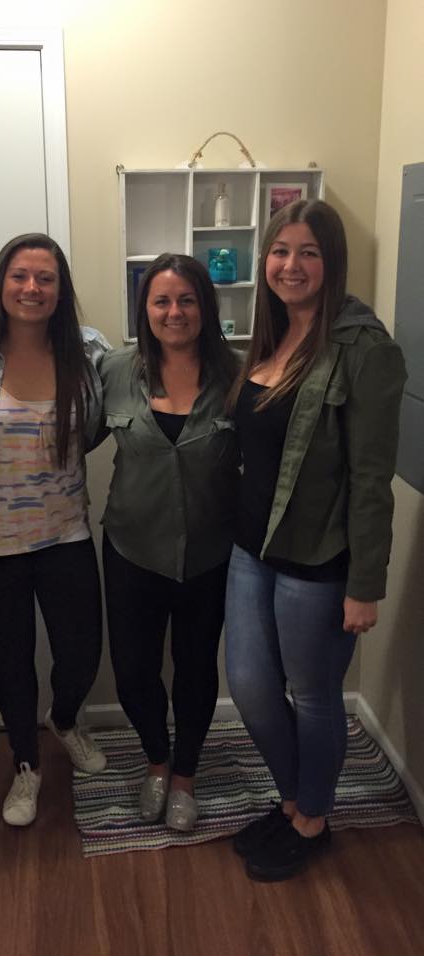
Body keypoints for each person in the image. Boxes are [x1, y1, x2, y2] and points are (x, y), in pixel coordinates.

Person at [225, 199, 407, 881]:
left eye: (308, 252)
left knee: (313, 694)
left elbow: (371, 479)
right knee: (250, 688)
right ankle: (292, 798)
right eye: (280, 251)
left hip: (317, 561)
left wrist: (365, 585)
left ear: (332, 261)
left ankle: (311, 819)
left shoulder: (365, 350)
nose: (290, 265)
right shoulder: (269, 335)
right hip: (252, 550)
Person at [0, 233, 108, 828]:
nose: (32, 288)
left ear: (61, 290)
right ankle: (26, 763)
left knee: (81, 652)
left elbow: (100, 426)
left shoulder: (87, 352)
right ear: (1, 283)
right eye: (20, 276)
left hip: (66, 533)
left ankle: (65, 719)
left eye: (45, 278)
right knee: (12, 658)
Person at [99, 253, 239, 831]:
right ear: (145, 309)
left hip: (211, 553)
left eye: (187, 300)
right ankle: (157, 761)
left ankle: (185, 776)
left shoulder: (239, 377)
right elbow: (68, 437)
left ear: (206, 307)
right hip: (132, 548)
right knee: (133, 670)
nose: (174, 312)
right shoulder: (114, 370)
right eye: (161, 301)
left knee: (196, 668)